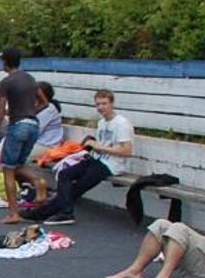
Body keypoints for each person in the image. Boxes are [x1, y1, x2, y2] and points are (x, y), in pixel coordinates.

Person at [18, 89, 132, 227]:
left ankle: (45, 213)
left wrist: (99, 147)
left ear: (112, 104)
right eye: (98, 104)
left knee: (76, 188)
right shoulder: (102, 123)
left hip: (112, 165)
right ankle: (59, 212)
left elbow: (126, 151)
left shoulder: (121, 123)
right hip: (97, 159)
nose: (101, 107)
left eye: (104, 104)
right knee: (65, 174)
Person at [0, 48, 42, 224]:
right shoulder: (30, 79)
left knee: (7, 169)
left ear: (5, 62)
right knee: (17, 165)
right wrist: (30, 112)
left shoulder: (6, 83)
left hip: (18, 126)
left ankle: (14, 213)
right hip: (33, 125)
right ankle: (38, 181)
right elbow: (44, 101)